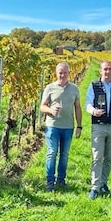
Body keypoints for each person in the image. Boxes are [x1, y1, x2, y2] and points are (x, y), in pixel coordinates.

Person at [85, 60, 111, 199]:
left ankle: (103, 183)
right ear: (100, 71)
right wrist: (93, 111)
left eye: (109, 69)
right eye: (105, 69)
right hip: (98, 126)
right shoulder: (94, 85)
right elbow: (88, 104)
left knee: (109, 157)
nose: (107, 72)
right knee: (97, 157)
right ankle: (95, 187)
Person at [39, 62, 83, 192]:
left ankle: (61, 180)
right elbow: (42, 106)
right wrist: (51, 110)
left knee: (64, 155)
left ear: (69, 73)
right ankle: (50, 181)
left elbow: (78, 107)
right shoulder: (50, 87)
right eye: (60, 72)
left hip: (68, 126)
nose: (62, 75)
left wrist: (79, 126)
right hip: (53, 126)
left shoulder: (74, 88)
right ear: (56, 73)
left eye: (64, 72)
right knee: (52, 153)